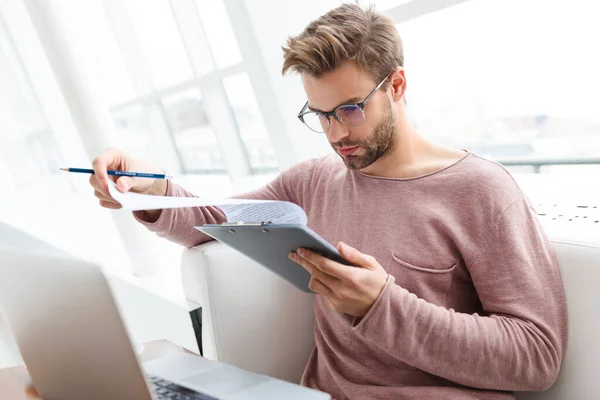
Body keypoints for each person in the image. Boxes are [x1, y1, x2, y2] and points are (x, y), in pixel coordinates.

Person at [89, 4, 567, 399]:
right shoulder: (315, 180)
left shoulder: (481, 191)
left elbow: (536, 356)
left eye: (349, 110)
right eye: (319, 114)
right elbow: (213, 218)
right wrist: (147, 189)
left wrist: (383, 304)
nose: (336, 134)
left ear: (396, 86)